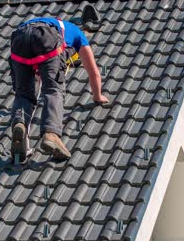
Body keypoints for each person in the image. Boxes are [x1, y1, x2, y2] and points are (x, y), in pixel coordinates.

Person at [9, 17, 109, 164]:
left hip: (19, 37)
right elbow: (93, 72)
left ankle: (20, 124)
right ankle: (51, 135)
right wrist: (98, 96)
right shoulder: (79, 35)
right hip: (46, 37)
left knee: (23, 94)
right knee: (53, 89)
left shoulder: (54, 23)